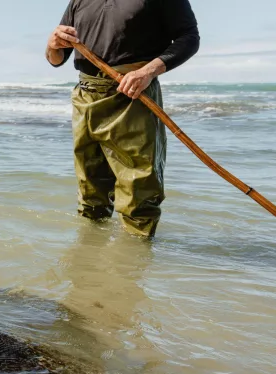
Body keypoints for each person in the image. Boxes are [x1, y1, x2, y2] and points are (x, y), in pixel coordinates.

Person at [46, 0, 200, 237]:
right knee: (90, 190)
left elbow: (189, 38)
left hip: (133, 95)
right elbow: (57, 58)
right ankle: (89, 258)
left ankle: (135, 262)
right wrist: (53, 44)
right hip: (85, 96)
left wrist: (147, 72)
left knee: (139, 190)